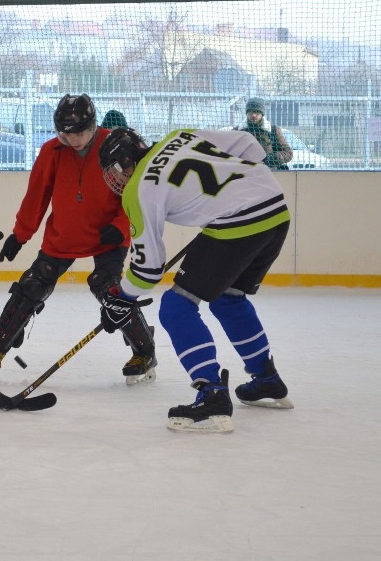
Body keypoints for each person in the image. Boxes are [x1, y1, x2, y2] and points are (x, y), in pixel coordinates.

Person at [97, 127, 294, 434]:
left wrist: (122, 297)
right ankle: (267, 380)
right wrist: (237, 192)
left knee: (176, 307)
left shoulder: (139, 187)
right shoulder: (179, 136)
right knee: (229, 298)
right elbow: (250, 145)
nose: (115, 180)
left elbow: (148, 270)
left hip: (239, 222)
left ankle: (212, 395)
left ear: (124, 162)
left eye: (114, 172)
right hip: (275, 208)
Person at [0, 93, 157, 386]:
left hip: (107, 234)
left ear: (94, 125)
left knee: (109, 290)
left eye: (81, 133)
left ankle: (144, 351)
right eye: (66, 133)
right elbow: (37, 195)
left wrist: (122, 225)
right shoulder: (52, 151)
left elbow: (139, 189)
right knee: (32, 285)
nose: (73, 140)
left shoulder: (115, 144)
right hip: (64, 235)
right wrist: (20, 235)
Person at [233, 97, 293, 171]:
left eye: (257, 112)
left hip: (268, 173)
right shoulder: (237, 132)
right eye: (251, 112)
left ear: (262, 113)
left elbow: (288, 153)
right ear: (247, 113)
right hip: (244, 174)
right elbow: (228, 153)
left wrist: (269, 158)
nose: (254, 115)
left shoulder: (273, 130)